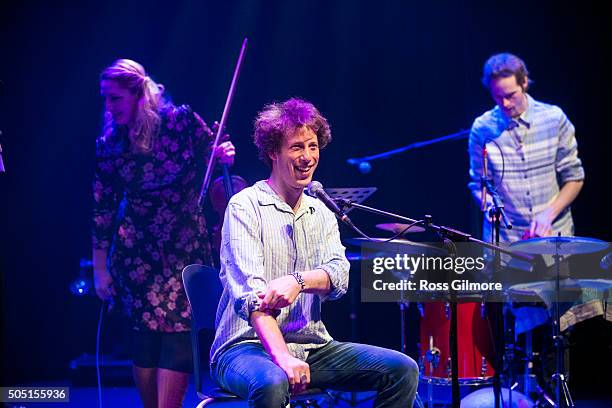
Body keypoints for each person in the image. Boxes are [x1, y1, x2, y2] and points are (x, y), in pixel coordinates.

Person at [209, 97, 419, 407]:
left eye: (313, 146)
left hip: (310, 347)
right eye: (296, 147)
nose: (307, 157)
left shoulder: (320, 210)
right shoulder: (245, 206)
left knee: (402, 369)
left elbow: (340, 276)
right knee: (273, 382)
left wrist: (299, 280)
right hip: (244, 348)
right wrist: (281, 357)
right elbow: (250, 298)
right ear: (272, 152)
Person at [92, 59, 235, 408]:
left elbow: (215, 157)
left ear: (138, 93)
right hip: (136, 253)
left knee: (177, 338)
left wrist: (224, 154)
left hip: (184, 246)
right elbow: (102, 209)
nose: (108, 107)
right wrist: (100, 268)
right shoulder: (110, 143)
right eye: (105, 99)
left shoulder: (181, 122)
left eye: (115, 98)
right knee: (144, 342)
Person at [468, 52, 584, 244]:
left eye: (510, 95)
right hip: (505, 241)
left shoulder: (553, 119)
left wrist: (548, 214)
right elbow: (479, 185)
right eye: (497, 96)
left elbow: (575, 178)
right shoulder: (482, 128)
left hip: (554, 234)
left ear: (524, 83)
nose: (505, 103)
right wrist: (489, 205)